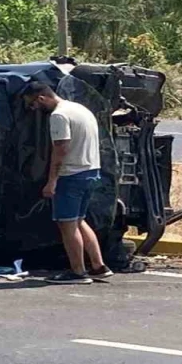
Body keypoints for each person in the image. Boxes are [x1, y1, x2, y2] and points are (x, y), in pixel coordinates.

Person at [23, 82, 112, 284]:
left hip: (71, 175)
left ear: (41, 98)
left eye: (33, 105)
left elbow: (61, 149)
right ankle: (98, 266)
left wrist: (51, 181)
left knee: (67, 225)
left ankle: (77, 272)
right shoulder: (80, 109)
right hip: (91, 171)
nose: (34, 109)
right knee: (79, 220)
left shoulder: (59, 116)